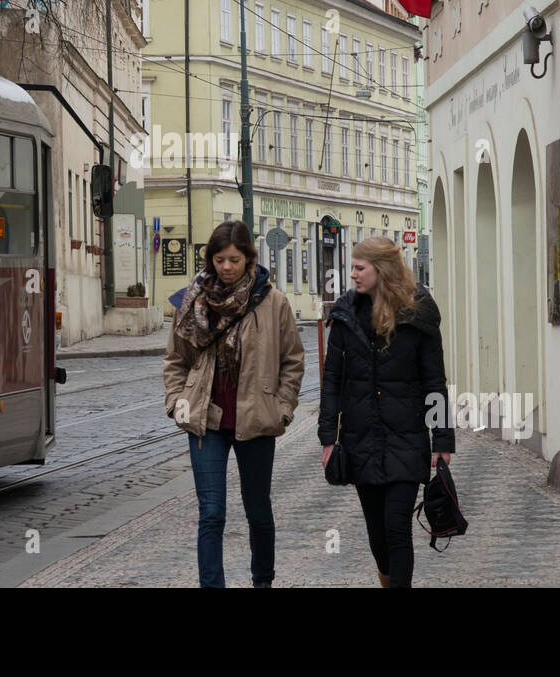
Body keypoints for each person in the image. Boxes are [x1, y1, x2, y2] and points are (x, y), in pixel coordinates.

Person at [163, 220, 305, 588]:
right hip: (205, 419)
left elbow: (292, 360)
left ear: (248, 259)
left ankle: (262, 581)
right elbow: (175, 359)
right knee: (211, 514)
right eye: (219, 259)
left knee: (257, 510)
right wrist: (176, 401)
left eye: (234, 260)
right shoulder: (191, 299)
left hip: (256, 418)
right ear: (210, 260)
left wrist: (283, 407)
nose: (226, 267)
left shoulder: (273, 303)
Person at [318, 236, 454, 588]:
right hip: (361, 439)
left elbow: (434, 382)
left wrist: (442, 438)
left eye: (359, 268)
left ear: (381, 270)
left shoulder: (418, 313)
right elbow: (332, 380)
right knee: (378, 537)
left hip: (406, 437)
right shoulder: (346, 315)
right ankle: (387, 579)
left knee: (397, 529)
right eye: (352, 268)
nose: (352, 275)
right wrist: (327, 439)